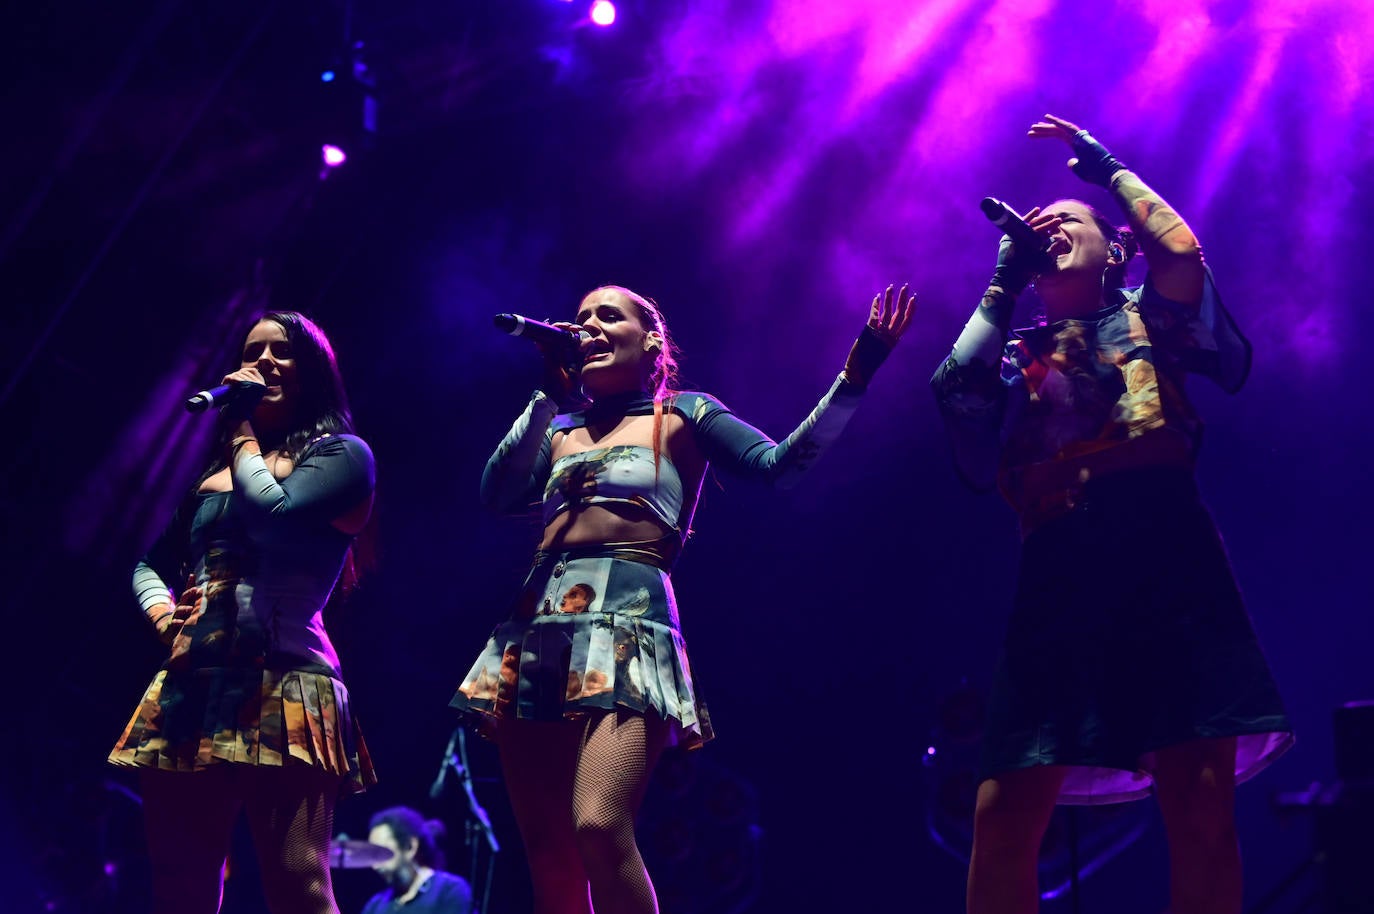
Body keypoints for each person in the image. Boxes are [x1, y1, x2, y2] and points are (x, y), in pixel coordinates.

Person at [451, 283, 914, 913]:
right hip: (536, 627)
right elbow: (497, 495)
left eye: (607, 316)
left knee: (598, 825)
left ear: (652, 342)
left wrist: (855, 374)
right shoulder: (558, 425)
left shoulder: (685, 413)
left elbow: (779, 466)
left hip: (629, 620)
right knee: (550, 856)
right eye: (580, 317)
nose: (587, 326)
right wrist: (546, 394)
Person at [931, 115, 1292, 914]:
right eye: (1038, 229)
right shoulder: (1019, 349)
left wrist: (1107, 170)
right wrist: (1002, 278)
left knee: (1199, 812)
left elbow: (1183, 253)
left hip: (1168, 559)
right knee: (1002, 819)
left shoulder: (1152, 318)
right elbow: (955, 390)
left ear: (1115, 250)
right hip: (1058, 571)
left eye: (1070, 222)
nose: (1049, 228)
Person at [109, 310, 378, 914]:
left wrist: (240, 434)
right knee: (181, 884)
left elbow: (274, 515)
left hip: (286, 679)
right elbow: (148, 563)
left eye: (281, 352)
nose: (262, 362)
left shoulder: (343, 456)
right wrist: (162, 616)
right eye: (251, 351)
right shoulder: (215, 478)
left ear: (313, 370)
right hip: (193, 686)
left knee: (297, 884)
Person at [361, 806, 474, 914]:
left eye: (381, 853)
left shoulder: (449, 891)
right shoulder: (376, 905)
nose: (375, 866)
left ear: (410, 847)